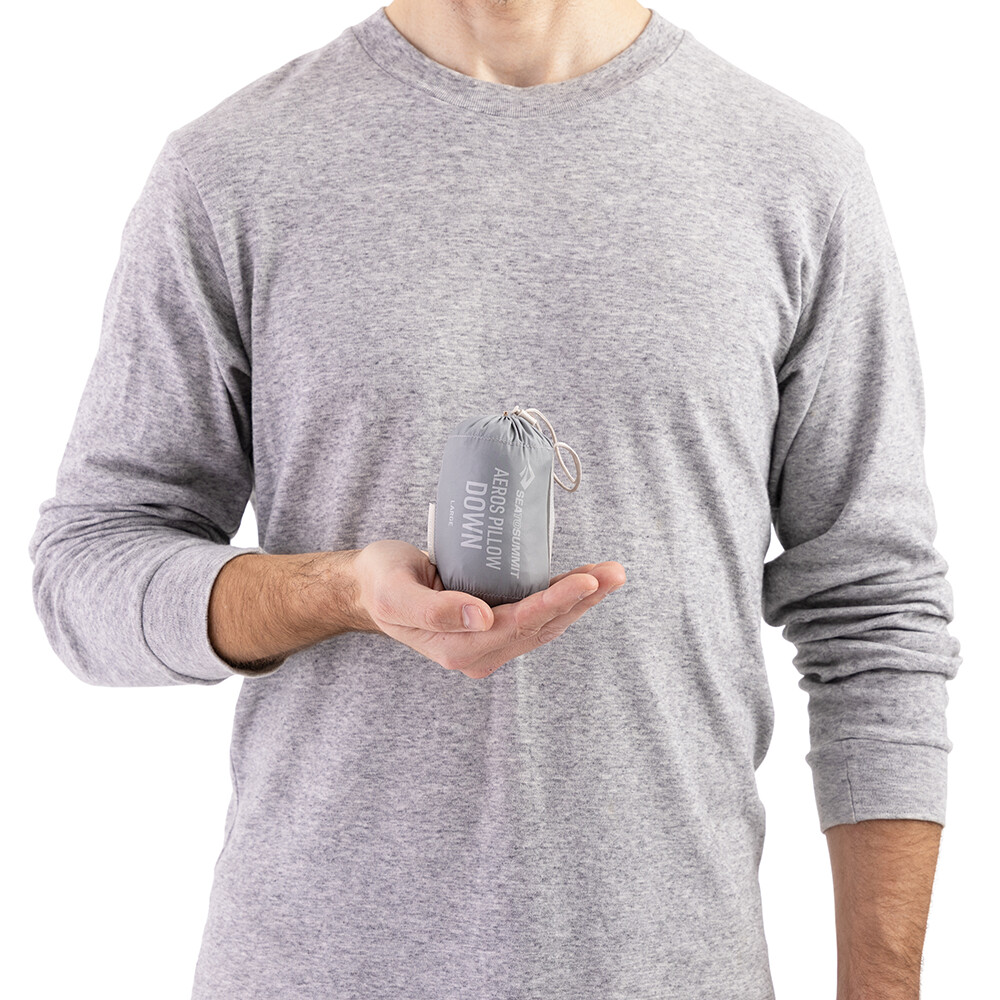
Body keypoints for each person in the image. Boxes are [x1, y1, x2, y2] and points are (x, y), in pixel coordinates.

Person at [28, 1, 962, 997]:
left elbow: (874, 610)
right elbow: (86, 574)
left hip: (666, 970)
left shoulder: (795, 173)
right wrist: (336, 591)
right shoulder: (230, 169)